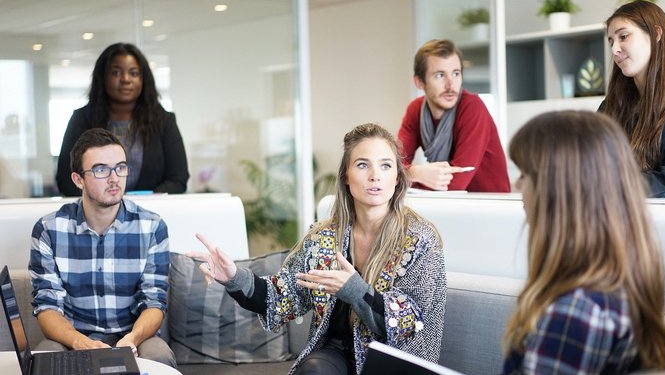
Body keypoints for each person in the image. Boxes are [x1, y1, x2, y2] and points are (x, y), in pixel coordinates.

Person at [188, 123, 446, 375]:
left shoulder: (421, 239)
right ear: (346, 175)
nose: (374, 175)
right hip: (336, 355)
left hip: (394, 359)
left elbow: (409, 321)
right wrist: (235, 277)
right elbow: (283, 296)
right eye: (362, 164)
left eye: (386, 165)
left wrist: (355, 290)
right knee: (314, 369)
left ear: (397, 177)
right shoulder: (323, 237)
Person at [502, 110, 665, 374]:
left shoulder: (575, 312)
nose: (517, 185)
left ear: (557, 191)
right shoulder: (619, 284)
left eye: (525, 174)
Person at [30, 128, 176, 367]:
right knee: (44, 357)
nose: (114, 178)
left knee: (158, 355)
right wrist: (81, 343)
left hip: (134, 337)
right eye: (100, 170)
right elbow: (47, 307)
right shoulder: (49, 230)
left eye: (120, 167)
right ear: (78, 179)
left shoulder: (152, 227)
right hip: (73, 338)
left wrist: (132, 339)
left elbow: (154, 302)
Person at [599, 0, 665, 292]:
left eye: (624, 36)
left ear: (657, 34)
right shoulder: (613, 104)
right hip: (629, 230)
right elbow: (591, 163)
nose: (615, 49)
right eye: (611, 40)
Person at [56, 42, 189, 197]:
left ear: (144, 79)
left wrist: (141, 202)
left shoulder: (164, 121)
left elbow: (178, 180)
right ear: (102, 77)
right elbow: (66, 180)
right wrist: (106, 200)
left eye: (134, 73)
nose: (126, 79)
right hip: (95, 215)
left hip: (150, 214)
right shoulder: (82, 119)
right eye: (116, 73)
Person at [397, 39, 510, 192]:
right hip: (449, 205)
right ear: (419, 82)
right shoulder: (415, 110)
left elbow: (455, 184)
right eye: (439, 75)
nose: (451, 85)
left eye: (456, 73)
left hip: (489, 206)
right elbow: (392, 167)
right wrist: (415, 173)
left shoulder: (472, 107)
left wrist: (408, 175)